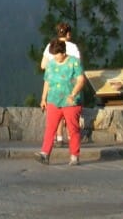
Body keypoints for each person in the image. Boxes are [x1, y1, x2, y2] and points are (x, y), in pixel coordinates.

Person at [35, 38, 85, 166]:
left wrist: (73, 94)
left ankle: (74, 155)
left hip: (70, 102)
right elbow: (47, 81)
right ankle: (45, 154)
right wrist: (43, 98)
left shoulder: (74, 62)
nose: (56, 57)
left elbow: (81, 80)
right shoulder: (51, 64)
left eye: (57, 54)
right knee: (50, 128)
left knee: (73, 129)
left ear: (63, 52)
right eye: (54, 55)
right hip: (53, 100)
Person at [40, 22, 81, 146]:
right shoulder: (73, 47)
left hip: (54, 83)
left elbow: (43, 65)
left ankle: (59, 137)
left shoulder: (50, 46)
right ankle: (71, 137)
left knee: (57, 111)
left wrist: (53, 67)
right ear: (68, 34)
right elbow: (77, 66)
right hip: (71, 84)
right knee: (69, 112)